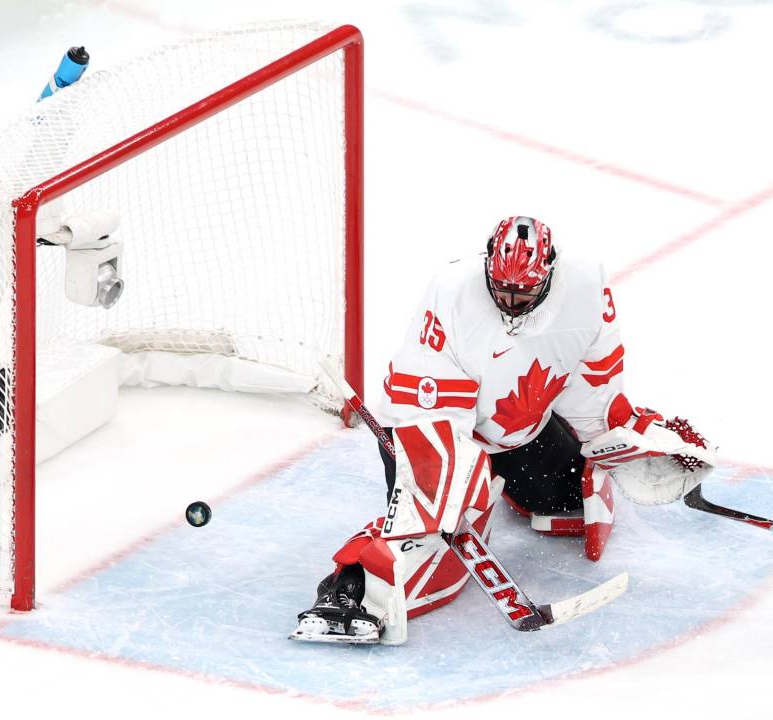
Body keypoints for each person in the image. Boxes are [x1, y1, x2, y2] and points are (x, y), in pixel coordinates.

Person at [290, 216, 715, 644]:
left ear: (549, 272)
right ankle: (347, 592)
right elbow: (428, 409)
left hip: (521, 433)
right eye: (503, 289)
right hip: (428, 430)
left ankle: (499, 491)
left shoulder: (587, 288)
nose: (511, 300)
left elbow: (594, 387)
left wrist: (628, 440)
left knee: (567, 497)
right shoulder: (453, 292)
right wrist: (448, 492)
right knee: (423, 532)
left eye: (524, 291)